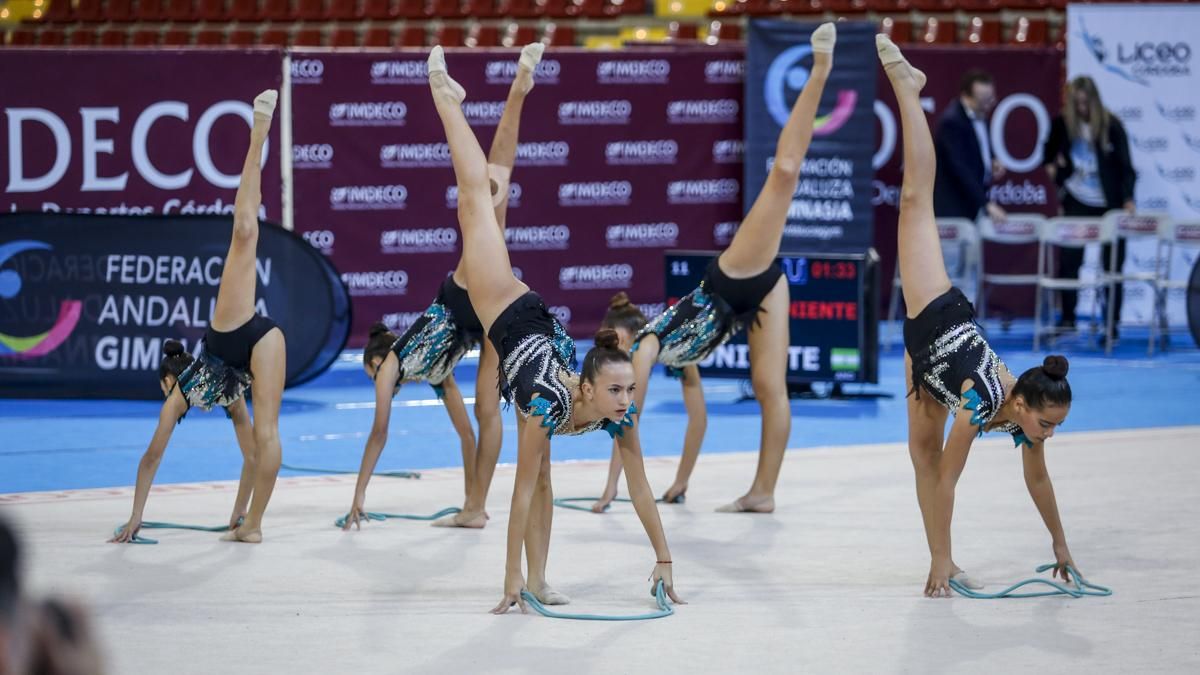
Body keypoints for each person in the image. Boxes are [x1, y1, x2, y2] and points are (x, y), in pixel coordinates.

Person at [426, 44, 683, 613]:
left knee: (546, 478)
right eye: (617, 391)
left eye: (630, 390)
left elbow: (639, 488)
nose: (626, 400)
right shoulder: (547, 404)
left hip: (536, 334)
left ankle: (543, 580)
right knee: (478, 202)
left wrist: (664, 558)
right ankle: (448, 100)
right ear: (588, 389)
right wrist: (507, 580)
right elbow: (517, 495)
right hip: (509, 308)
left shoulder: (616, 413)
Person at [592, 22, 836, 514]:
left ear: (627, 338)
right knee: (770, 389)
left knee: (785, 174)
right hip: (763, 294)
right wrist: (676, 484)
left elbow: (627, 418)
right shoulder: (680, 360)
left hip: (734, 279)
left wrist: (618, 487)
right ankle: (762, 492)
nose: (618, 377)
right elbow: (696, 422)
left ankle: (820, 71)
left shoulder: (648, 346)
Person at [879, 35, 1082, 597]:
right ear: (1022, 405)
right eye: (1046, 425)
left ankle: (940, 558)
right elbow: (952, 479)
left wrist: (1060, 544)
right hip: (938, 313)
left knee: (919, 455)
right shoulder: (989, 403)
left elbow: (1039, 482)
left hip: (927, 362)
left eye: (1053, 427)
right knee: (916, 200)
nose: (1047, 435)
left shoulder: (1026, 415)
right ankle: (909, 89)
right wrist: (942, 563)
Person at [344, 45, 543, 531]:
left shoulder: (393, 365)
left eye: (374, 375)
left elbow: (379, 431)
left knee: (486, 193)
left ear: (376, 360)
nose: (378, 381)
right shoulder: (436, 374)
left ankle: (452, 99)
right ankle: (515, 91)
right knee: (495, 191)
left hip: (469, 296)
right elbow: (465, 437)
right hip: (487, 309)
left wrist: (359, 495)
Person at [111, 90, 285, 545]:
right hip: (260, 345)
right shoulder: (226, 397)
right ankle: (253, 527)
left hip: (229, 338)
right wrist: (238, 512)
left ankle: (258, 134)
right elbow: (250, 456)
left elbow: (151, 458)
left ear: (170, 381)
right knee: (265, 435)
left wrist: (136, 518)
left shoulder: (183, 392)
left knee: (244, 232)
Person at [589, 293, 705, 512]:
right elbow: (699, 420)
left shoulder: (642, 350)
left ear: (621, 337)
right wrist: (681, 482)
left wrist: (610, 489)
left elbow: (628, 421)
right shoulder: (675, 343)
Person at [1041, 75, 1137, 335]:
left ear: (1094, 101)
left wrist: (1128, 199)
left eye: (1085, 103)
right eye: (1077, 103)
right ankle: (1068, 319)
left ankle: (1111, 324)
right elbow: (1047, 153)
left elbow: (1127, 168)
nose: (1082, 109)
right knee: (1069, 262)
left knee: (1113, 265)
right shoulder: (1062, 123)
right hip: (1076, 199)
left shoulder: (1111, 125)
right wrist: (1057, 176)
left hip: (1110, 202)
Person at [933, 69, 1007, 224]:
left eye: (991, 99)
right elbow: (960, 169)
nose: (989, 105)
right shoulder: (952, 122)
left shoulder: (981, 116)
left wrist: (992, 161)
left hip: (971, 203)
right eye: (983, 101)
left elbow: (979, 148)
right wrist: (986, 203)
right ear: (966, 97)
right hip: (953, 206)